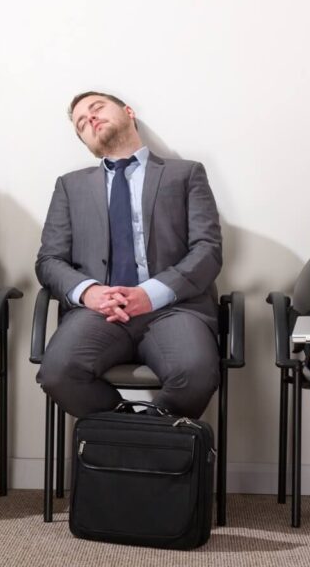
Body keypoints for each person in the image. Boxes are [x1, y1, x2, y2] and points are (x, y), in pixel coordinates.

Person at [36, 91, 222, 420]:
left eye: (96, 109)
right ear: (86, 143)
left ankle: (138, 440)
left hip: (172, 309)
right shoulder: (70, 186)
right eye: (81, 123)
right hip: (98, 311)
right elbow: (49, 261)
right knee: (57, 374)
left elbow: (207, 250)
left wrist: (149, 295)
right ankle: (131, 432)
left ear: (128, 112)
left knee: (196, 374)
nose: (90, 119)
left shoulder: (186, 174)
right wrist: (89, 292)